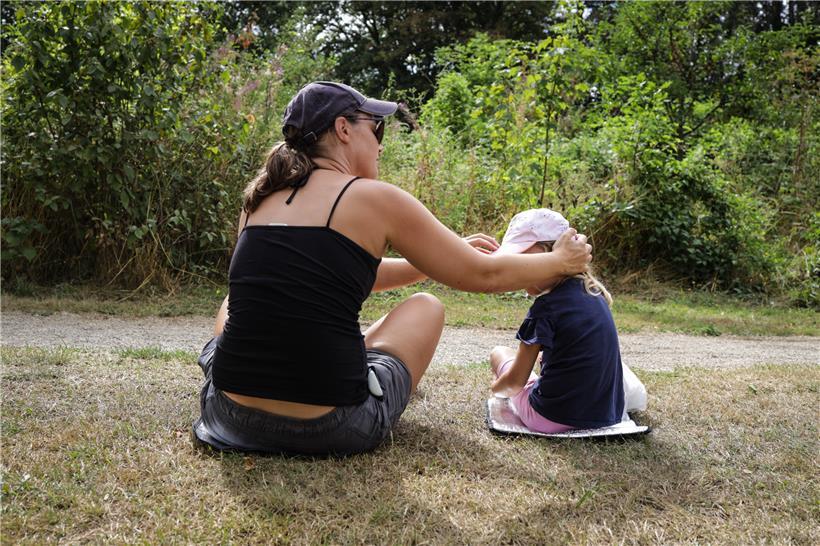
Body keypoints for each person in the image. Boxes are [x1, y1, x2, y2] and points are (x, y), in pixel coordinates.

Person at [194, 82, 592, 456]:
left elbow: (331, 273)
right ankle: (342, 368)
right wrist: (560, 261)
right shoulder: (375, 198)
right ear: (343, 129)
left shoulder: (258, 198)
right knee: (426, 306)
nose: (381, 145)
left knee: (238, 299)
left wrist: (428, 263)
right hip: (335, 425)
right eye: (377, 128)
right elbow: (484, 275)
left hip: (229, 416)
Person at [489, 208, 641, 434]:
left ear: (548, 252)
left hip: (548, 417)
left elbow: (515, 382)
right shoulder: (593, 294)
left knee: (499, 353)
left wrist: (495, 389)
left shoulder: (545, 307)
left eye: (520, 258)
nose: (515, 268)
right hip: (605, 414)